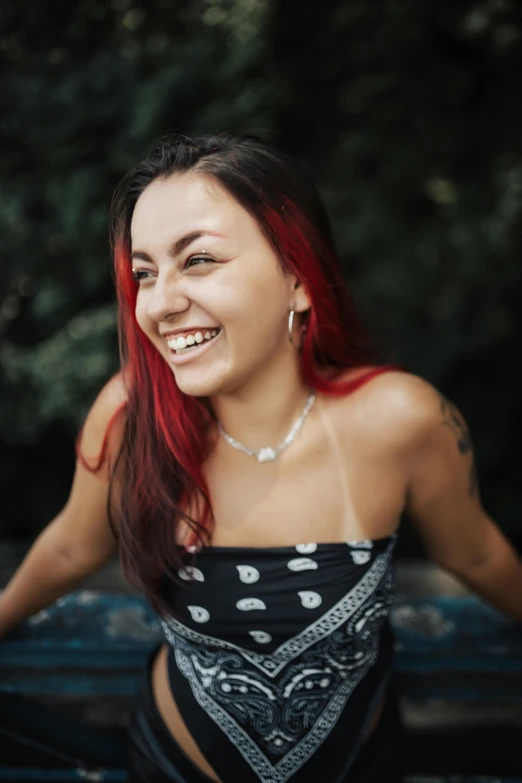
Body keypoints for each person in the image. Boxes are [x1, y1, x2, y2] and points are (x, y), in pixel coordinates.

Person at [1, 131, 522, 783]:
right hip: (172, 763)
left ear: (298, 279)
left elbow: (472, 552)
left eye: (197, 260)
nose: (158, 303)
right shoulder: (131, 415)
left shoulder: (403, 421)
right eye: (144, 272)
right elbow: (74, 547)